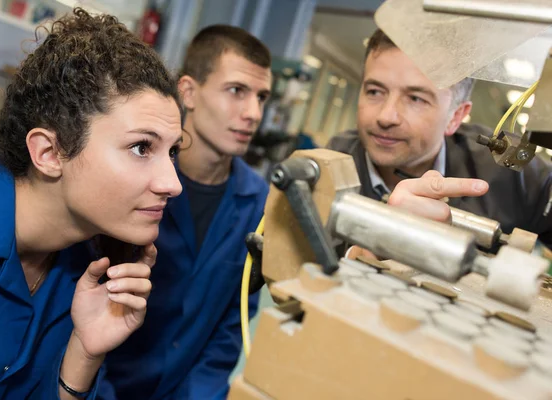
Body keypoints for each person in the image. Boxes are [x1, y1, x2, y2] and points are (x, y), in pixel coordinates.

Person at [0, 9, 182, 399]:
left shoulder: (89, 277)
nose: (172, 184)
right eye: (142, 147)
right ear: (49, 152)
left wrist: (83, 355)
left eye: (173, 152)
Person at [102, 25, 272, 399]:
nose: (253, 113)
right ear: (188, 92)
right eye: (237, 91)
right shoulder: (135, 179)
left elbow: (232, 320)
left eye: (262, 97)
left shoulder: (259, 202)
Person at [327, 29, 552, 247]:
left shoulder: (512, 176)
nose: (386, 117)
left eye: (415, 98)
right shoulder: (330, 165)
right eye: (375, 91)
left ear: (455, 116)